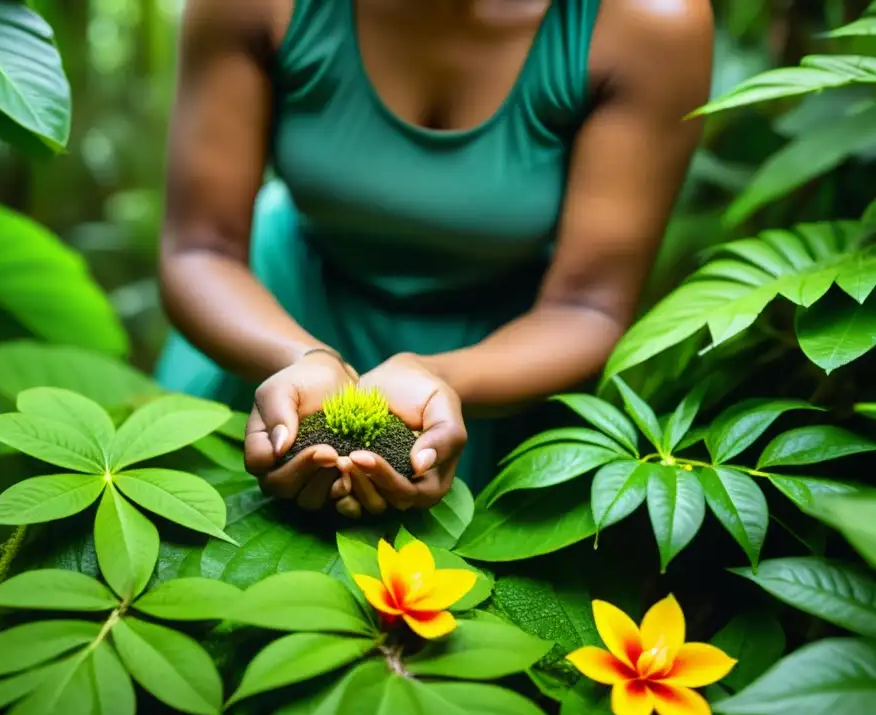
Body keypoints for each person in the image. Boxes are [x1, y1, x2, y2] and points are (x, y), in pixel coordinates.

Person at [155, 0, 714, 518]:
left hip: (506, 366)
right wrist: (300, 359)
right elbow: (201, 248)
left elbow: (588, 306)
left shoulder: (646, 21)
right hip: (269, 325)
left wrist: (445, 378)